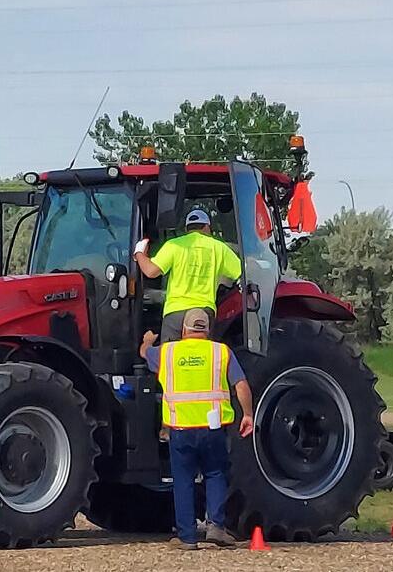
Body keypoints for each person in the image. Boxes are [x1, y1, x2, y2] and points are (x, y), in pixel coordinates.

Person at [140, 308, 254, 550]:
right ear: (207, 330)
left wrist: (147, 341)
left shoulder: (168, 352)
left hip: (181, 429)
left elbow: (144, 353)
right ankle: (216, 527)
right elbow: (241, 385)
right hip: (213, 428)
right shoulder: (220, 352)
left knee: (183, 480)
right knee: (215, 474)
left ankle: (188, 537)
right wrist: (247, 414)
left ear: (184, 330)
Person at [134, 208, 241, 342]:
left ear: (187, 229)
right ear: (207, 227)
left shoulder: (174, 245)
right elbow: (241, 273)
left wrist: (139, 253)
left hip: (175, 313)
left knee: (170, 353)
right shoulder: (219, 248)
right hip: (203, 315)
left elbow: (150, 271)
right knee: (201, 353)